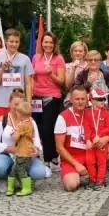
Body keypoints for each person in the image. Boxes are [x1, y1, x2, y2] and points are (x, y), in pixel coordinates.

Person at [0, 90, 49, 193]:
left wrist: (36, 150)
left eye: (21, 104)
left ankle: (26, 180)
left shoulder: (31, 121)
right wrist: (8, 148)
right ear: (9, 104)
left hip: (26, 156)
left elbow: (37, 141)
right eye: (16, 104)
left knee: (39, 172)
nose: (18, 107)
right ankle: (4, 179)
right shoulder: (1, 120)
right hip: (7, 155)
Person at [31, 31, 65, 168]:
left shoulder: (58, 59)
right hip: (36, 97)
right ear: (41, 43)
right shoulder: (36, 57)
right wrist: (30, 93)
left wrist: (51, 74)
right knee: (37, 128)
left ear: (55, 44)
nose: (48, 45)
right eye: (46, 42)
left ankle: (52, 158)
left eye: (51, 42)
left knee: (48, 129)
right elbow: (32, 78)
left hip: (52, 97)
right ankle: (40, 157)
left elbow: (61, 82)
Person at [0, 29, 34, 120]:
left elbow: (28, 83)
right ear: (6, 41)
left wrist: (28, 103)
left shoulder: (25, 59)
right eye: (11, 41)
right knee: (0, 128)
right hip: (1, 103)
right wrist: (2, 69)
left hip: (19, 104)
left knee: (19, 128)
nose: (14, 44)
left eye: (17, 42)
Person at [55, 86, 91, 192]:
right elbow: (59, 148)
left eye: (83, 99)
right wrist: (77, 164)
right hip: (71, 159)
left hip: (90, 156)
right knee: (71, 186)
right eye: (77, 99)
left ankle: (94, 173)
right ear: (71, 99)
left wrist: (105, 138)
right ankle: (80, 174)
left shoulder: (92, 114)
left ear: (87, 99)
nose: (80, 102)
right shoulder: (63, 117)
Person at [84, 88, 109, 190]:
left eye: (104, 99)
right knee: (90, 161)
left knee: (101, 162)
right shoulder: (87, 112)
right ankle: (92, 180)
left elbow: (108, 128)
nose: (103, 101)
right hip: (91, 143)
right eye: (100, 99)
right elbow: (86, 127)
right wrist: (88, 140)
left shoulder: (106, 113)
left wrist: (100, 136)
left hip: (101, 142)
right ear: (92, 100)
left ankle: (100, 180)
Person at [7, 100, 37, 197]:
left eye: (17, 112)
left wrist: (12, 133)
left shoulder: (22, 125)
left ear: (20, 114)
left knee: (20, 170)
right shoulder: (30, 122)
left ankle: (26, 188)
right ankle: (11, 187)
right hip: (25, 151)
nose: (16, 114)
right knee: (15, 169)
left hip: (23, 152)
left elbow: (15, 138)